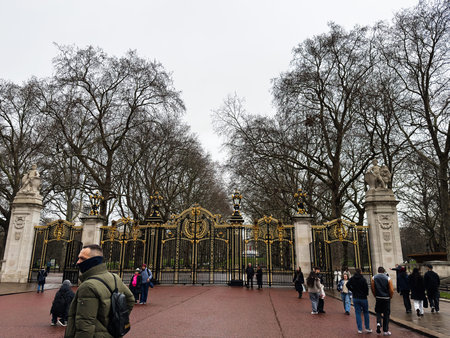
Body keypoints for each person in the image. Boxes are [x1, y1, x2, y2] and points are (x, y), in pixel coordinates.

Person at [65, 244, 134, 338]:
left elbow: (85, 325)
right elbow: (130, 300)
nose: (78, 262)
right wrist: (117, 321)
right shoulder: (115, 277)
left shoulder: (88, 286)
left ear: (94, 261)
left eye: (82, 259)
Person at [347, 268, 372, 334]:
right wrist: (366, 294)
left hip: (355, 297)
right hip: (363, 298)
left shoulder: (352, 279)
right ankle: (367, 328)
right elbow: (366, 288)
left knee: (357, 313)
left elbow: (347, 285)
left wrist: (352, 290)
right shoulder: (363, 279)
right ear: (360, 272)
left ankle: (359, 329)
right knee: (366, 312)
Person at [371, 266, 394, 336]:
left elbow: (373, 288)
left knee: (378, 311)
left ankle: (378, 322)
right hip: (386, 298)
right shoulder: (388, 278)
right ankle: (385, 330)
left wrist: (375, 295)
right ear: (383, 271)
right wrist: (390, 296)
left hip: (378, 297)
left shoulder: (373, 278)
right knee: (386, 314)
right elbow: (391, 290)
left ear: (378, 271)